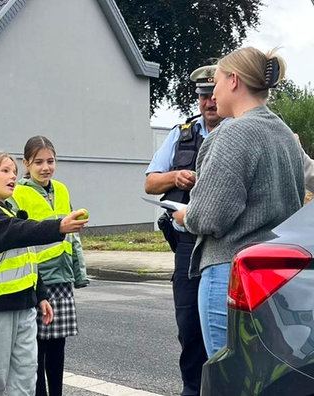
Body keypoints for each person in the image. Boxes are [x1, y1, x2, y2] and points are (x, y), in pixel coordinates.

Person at [173, 47, 304, 357]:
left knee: (229, 375)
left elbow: (207, 218)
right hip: (278, 275)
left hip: (231, 274)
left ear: (233, 81)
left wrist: (183, 216)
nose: (213, 93)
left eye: (216, 81)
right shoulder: (284, 133)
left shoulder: (233, 134)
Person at [0, 153, 88, 396]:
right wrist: (58, 226)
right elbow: (19, 232)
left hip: (26, 306)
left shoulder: (7, 212)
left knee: (26, 377)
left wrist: (41, 296)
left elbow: (28, 259)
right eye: (5, 171)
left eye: (14, 172)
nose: (12, 176)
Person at [144, 65, 222, 395]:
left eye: (213, 95)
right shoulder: (183, 133)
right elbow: (150, 182)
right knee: (189, 325)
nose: (209, 103)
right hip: (188, 242)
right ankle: (192, 389)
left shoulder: (240, 131)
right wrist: (175, 177)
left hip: (225, 240)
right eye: (204, 96)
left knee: (225, 326)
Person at [7, 136, 88, 396]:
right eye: (38, 162)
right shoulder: (17, 193)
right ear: (26, 164)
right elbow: (16, 237)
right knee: (37, 349)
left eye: (50, 161)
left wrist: (79, 272)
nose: (45, 167)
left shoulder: (62, 190)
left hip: (62, 278)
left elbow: (73, 235)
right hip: (37, 280)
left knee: (57, 346)